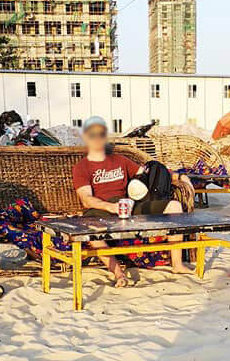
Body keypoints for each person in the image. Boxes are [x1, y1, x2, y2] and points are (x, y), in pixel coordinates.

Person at [72, 115, 192, 287]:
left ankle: (177, 265)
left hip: (128, 205)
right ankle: (118, 273)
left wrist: (179, 176)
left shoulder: (120, 160)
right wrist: (111, 207)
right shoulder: (82, 167)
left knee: (175, 205)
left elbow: (149, 175)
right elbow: (87, 200)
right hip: (101, 208)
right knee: (89, 230)